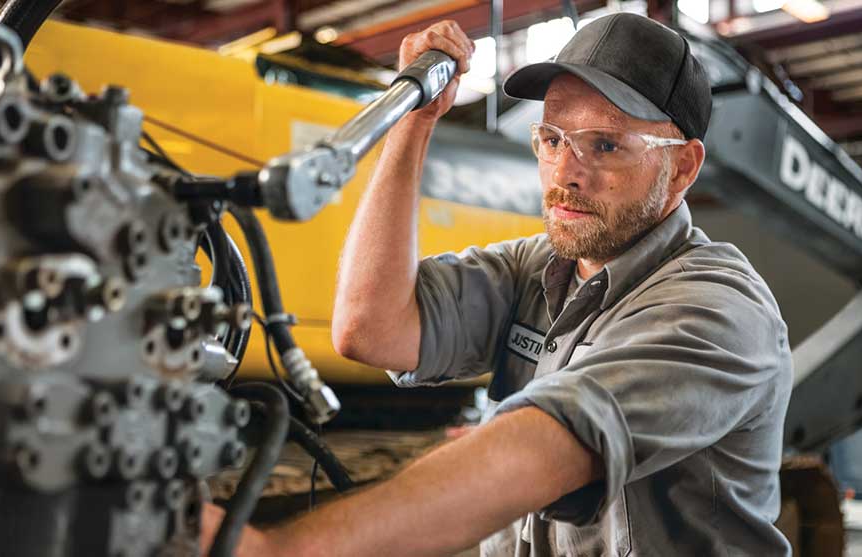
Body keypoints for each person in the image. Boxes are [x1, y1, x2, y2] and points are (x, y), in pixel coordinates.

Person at [202, 12, 793, 557]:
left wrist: (277, 552)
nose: (565, 173)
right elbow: (370, 328)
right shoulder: (534, 270)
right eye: (553, 139)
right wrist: (414, 124)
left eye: (606, 145)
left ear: (683, 167)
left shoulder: (717, 309)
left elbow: (550, 444)